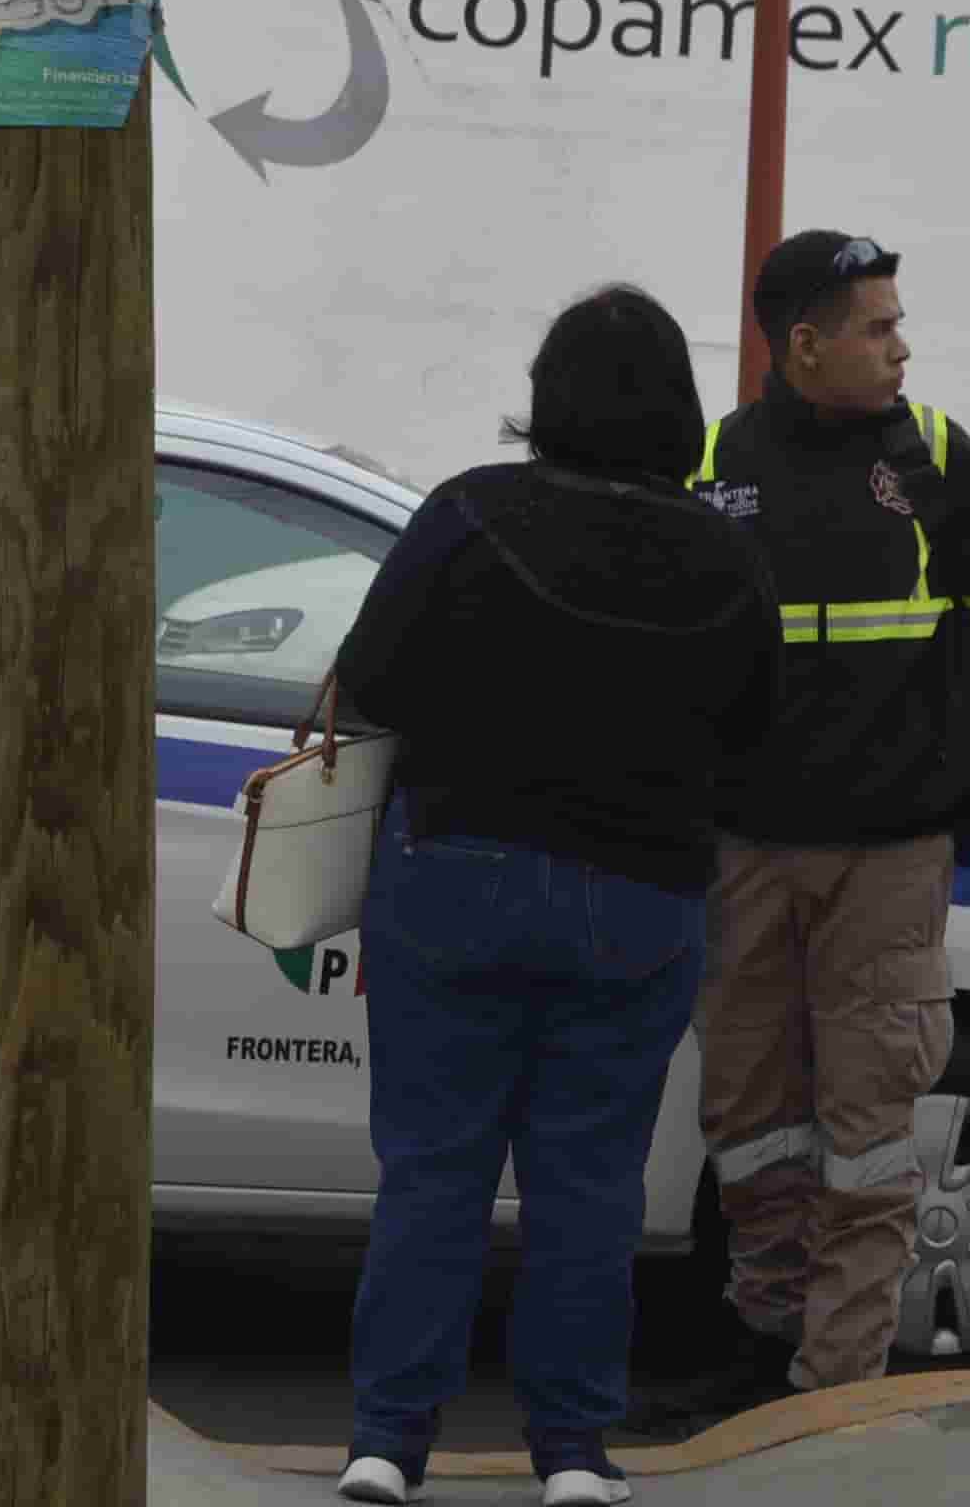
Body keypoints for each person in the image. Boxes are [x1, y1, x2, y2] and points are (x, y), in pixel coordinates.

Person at [325, 285, 782, 1507]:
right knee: (588, 1185)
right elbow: (753, 743)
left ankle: (385, 1440)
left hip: (456, 873)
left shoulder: (467, 511)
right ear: (679, 409)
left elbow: (366, 681)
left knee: (432, 1169)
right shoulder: (726, 557)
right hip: (637, 897)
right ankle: (573, 1453)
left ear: (546, 396)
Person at [657, 230, 970, 1418]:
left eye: (896, 323)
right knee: (752, 1122)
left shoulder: (933, 454)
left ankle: (836, 1392)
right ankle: (764, 1344)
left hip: (888, 859)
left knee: (871, 1132)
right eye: (875, 328)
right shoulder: (715, 465)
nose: (900, 347)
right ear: (802, 345)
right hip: (746, 854)